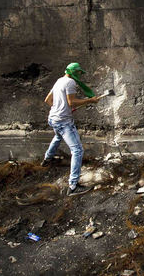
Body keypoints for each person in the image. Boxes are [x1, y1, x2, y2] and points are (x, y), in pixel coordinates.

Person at [42, 62, 103, 196]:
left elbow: (48, 100)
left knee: (58, 137)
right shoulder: (70, 83)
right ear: (74, 72)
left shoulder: (59, 80)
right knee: (77, 150)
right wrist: (90, 101)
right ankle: (73, 186)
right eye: (79, 73)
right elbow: (72, 102)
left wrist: (60, 109)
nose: (80, 75)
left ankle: (47, 159)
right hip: (63, 122)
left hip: (53, 119)